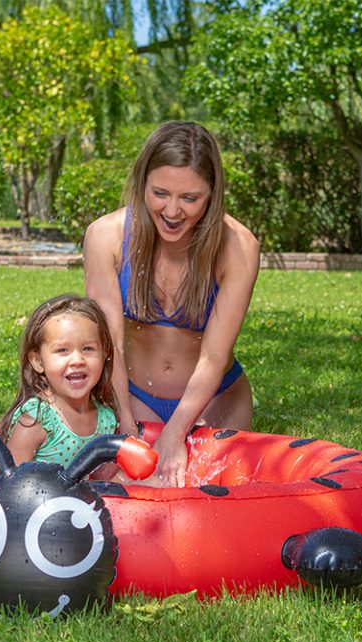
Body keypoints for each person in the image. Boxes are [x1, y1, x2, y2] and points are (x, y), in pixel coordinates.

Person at [83, 121, 260, 487]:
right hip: (134, 399)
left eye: (190, 198)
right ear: (142, 183)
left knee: (204, 507)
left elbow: (213, 357)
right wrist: (125, 423)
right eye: (160, 193)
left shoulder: (238, 247)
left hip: (217, 402)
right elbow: (108, 344)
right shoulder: (107, 236)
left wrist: (175, 432)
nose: (173, 211)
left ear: (211, 194)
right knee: (126, 495)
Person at [0, 294, 118, 469]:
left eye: (88, 349)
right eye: (62, 350)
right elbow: (9, 481)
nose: (77, 360)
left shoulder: (105, 419)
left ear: (104, 353)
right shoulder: (37, 419)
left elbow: (108, 480)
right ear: (38, 361)